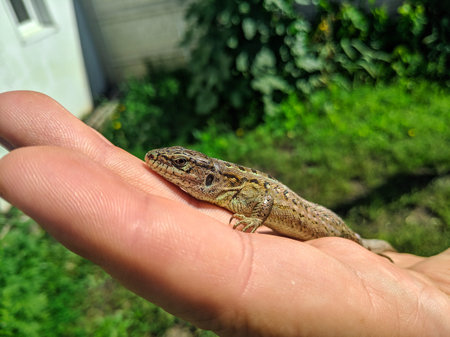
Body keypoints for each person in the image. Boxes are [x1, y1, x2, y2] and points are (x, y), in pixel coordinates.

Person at [0, 90, 448, 336]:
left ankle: (371, 248)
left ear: (206, 177)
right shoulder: (223, 187)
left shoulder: (242, 192)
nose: (163, 164)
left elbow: (269, 203)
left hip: (322, 223)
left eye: (178, 165)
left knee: (353, 241)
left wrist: (255, 220)